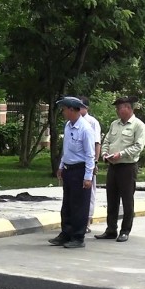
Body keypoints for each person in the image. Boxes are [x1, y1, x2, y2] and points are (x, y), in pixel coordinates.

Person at [94, 96, 145, 243]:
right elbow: (107, 141)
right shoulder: (114, 124)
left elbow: (138, 147)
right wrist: (105, 153)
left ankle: (125, 231)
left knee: (127, 200)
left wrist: (121, 154)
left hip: (127, 167)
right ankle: (111, 229)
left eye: (119, 108)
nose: (117, 111)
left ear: (128, 108)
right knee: (112, 199)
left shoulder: (139, 126)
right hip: (113, 166)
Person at [48, 96, 95, 249]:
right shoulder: (68, 125)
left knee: (79, 206)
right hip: (69, 169)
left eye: (64, 109)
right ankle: (66, 233)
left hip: (80, 170)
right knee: (67, 204)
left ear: (71, 110)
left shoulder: (85, 129)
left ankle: (78, 237)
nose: (62, 112)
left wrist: (88, 177)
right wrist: (61, 166)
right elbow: (66, 149)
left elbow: (90, 155)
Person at [78, 95, 101, 233]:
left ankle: (87, 221)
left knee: (89, 192)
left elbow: (97, 143)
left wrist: (95, 162)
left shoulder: (92, 122)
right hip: (76, 163)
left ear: (86, 108)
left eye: (80, 106)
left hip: (89, 162)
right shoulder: (72, 122)